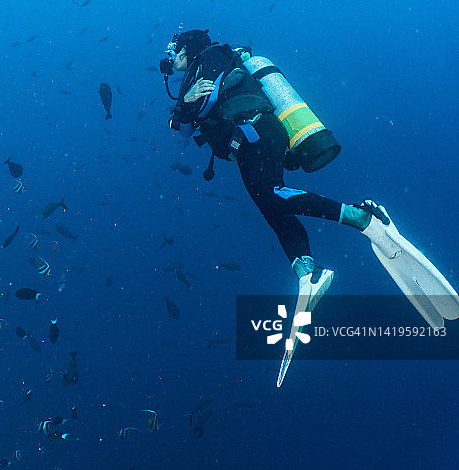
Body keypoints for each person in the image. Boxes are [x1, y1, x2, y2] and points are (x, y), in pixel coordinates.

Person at [160, 28, 458, 386]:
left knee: (272, 195)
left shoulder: (208, 58)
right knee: (274, 211)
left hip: (258, 133)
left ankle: (364, 218)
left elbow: (199, 107)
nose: (169, 57)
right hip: (247, 147)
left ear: (186, 47)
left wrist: (184, 104)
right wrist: (183, 108)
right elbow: (182, 128)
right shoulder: (196, 73)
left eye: (172, 49)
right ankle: (308, 272)